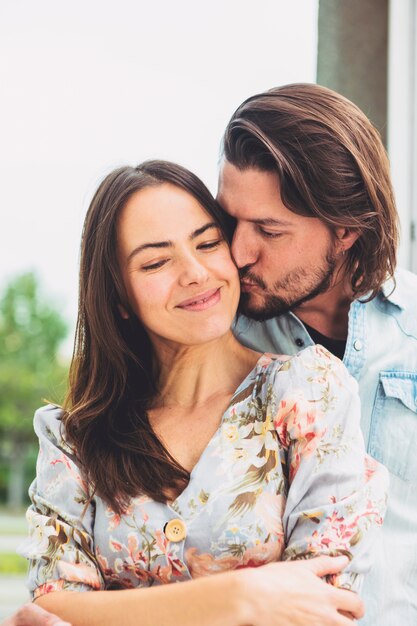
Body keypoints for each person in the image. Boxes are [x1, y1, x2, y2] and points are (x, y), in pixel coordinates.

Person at [9, 160, 387, 626]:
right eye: (156, 262)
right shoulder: (74, 439)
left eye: (208, 243)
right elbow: (48, 607)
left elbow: (326, 607)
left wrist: (100, 613)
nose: (194, 272)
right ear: (119, 296)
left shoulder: (309, 392)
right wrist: (238, 597)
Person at [217, 82, 417, 625]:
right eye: (230, 220)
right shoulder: (215, 337)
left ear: (346, 227)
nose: (238, 251)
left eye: (268, 230)